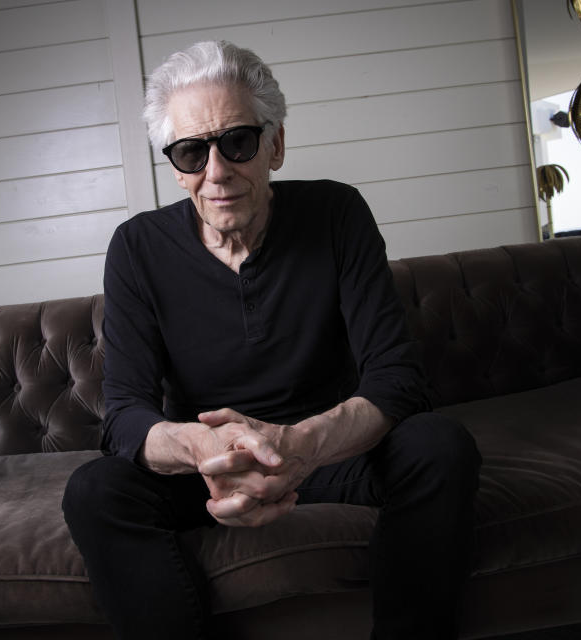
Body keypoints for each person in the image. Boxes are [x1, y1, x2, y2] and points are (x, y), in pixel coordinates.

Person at [63, 40, 481, 640]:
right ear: (176, 166)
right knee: (95, 491)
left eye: (238, 141)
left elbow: (397, 381)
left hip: (332, 452)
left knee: (439, 445)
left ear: (275, 144)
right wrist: (208, 449)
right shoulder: (136, 248)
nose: (217, 172)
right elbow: (124, 417)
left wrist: (299, 444)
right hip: (209, 466)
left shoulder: (338, 212)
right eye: (190, 152)